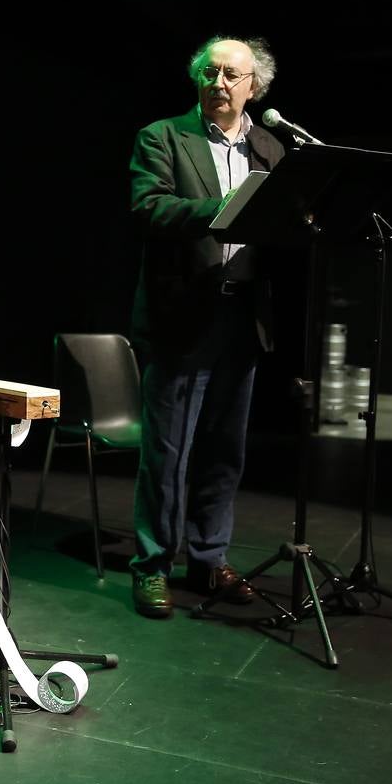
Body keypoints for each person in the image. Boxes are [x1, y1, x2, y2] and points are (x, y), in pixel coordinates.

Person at [129, 37, 286, 618]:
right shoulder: (164, 136)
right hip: (183, 315)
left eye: (232, 75)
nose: (220, 82)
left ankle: (208, 558)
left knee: (225, 449)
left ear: (254, 87)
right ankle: (151, 565)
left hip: (243, 314)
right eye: (210, 72)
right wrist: (225, 206)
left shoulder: (272, 148)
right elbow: (148, 208)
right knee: (168, 450)